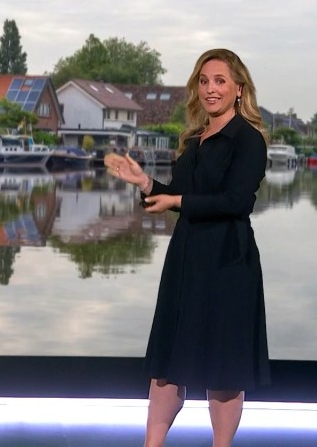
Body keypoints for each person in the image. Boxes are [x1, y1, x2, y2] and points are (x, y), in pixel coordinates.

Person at [105, 48, 270, 447]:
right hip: (185, 261)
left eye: (220, 81)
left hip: (228, 264)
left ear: (238, 89)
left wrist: (177, 200)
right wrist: (146, 184)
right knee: (167, 363)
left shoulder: (249, 140)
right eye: (204, 81)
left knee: (224, 369)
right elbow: (176, 197)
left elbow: (236, 202)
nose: (210, 89)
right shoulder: (194, 141)